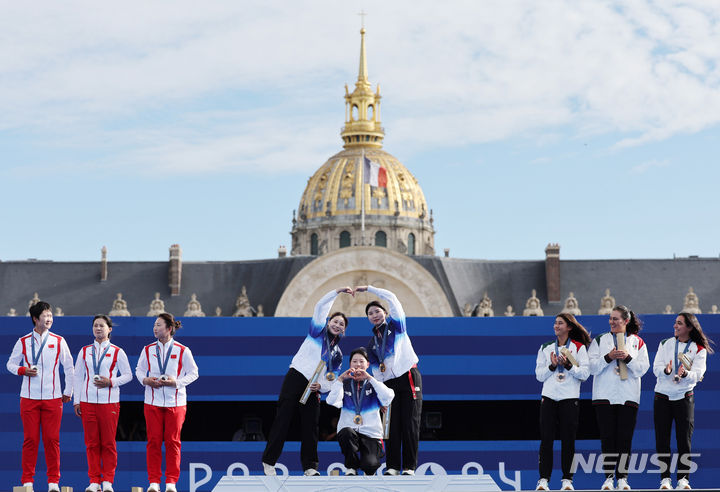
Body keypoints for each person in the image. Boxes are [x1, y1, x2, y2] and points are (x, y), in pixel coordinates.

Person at [262, 287, 353, 476]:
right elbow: (320, 306)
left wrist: (322, 386)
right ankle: (269, 462)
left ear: (344, 330)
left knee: (311, 426)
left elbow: (332, 377)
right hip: (296, 377)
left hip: (314, 387)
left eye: (341, 324)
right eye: (335, 321)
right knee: (283, 419)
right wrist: (336, 292)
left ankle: (310, 467)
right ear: (328, 322)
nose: (337, 325)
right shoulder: (316, 331)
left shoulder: (337, 355)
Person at [6, 301, 74, 492]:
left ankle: (53, 481)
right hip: (29, 397)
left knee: (52, 440)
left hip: (53, 397)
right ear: (35, 319)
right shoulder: (23, 341)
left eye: (51, 315)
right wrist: (22, 370)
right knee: (30, 440)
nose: (49, 318)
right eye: (45, 315)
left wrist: (68, 391)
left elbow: (69, 367)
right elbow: (10, 364)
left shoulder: (59, 341)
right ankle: (28, 481)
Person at [355, 285, 421, 476]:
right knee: (391, 425)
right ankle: (392, 466)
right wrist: (380, 396)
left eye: (377, 311)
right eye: (370, 313)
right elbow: (376, 372)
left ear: (385, 312)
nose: (374, 315)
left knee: (410, 423)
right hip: (389, 385)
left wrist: (369, 288)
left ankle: (409, 467)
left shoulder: (397, 325)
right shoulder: (371, 343)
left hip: (407, 376)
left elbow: (392, 296)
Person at [135, 313, 199, 492]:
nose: (155, 328)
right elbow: (139, 371)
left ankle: (171, 482)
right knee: (153, 441)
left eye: (158, 325)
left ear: (169, 329)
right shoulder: (147, 350)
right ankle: (154, 482)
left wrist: (176, 383)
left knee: (173, 442)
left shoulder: (182, 350)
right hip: (152, 401)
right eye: (154, 325)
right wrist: (146, 380)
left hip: (176, 402)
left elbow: (194, 373)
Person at [588, 305, 649, 491]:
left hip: (628, 396)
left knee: (624, 438)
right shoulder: (601, 340)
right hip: (604, 396)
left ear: (626, 320)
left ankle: (622, 478)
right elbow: (591, 368)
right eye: (610, 318)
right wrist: (608, 357)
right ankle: (608, 478)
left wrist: (628, 358)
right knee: (607, 438)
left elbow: (642, 369)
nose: (611, 322)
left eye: (615, 319)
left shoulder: (637, 342)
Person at [653, 312, 713, 490]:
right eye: (675, 323)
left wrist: (686, 374)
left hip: (684, 397)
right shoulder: (665, 344)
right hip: (662, 397)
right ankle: (665, 479)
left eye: (679, 323)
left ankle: (683, 479)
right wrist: (666, 370)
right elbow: (656, 368)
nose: (675, 326)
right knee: (662, 440)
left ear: (689, 327)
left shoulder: (699, 349)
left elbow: (698, 374)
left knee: (684, 440)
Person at [73, 315, 132, 492]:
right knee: (91, 443)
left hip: (109, 402)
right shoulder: (84, 351)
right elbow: (77, 376)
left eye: (102, 326)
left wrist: (111, 382)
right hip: (88, 401)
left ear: (109, 329)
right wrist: (77, 400)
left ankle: (107, 481)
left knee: (108, 443)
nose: (98, 329)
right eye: (95, 326)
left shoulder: (117, 351)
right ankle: (94, 481)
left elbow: (128, 375)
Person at [534, 313, 591, 491]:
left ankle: (567, 480)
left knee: (568, 440)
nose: (556, 326)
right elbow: (539, 376)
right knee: (546, 440)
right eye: (555, 323)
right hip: (549, 397)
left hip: (569, 398)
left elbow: (584, 375)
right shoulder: (545, 347)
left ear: (569, 327)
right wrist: (552, 366)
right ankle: (543, 479)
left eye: (560, 323)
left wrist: (568, 366)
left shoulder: (578, 348)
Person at [327, 347, 394, 476]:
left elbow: (388, 397)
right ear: (350, 364)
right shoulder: (344, 383)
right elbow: (332, 401)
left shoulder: (374, 383)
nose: (358, 365)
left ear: (367, 364)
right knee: (345, 432)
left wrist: (369, 378)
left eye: (361, 361)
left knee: (369, 466)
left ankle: (367, 462)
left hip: (371, 433)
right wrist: (340, 379)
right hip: (350, 430)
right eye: (354, 361)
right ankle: (351, 467)